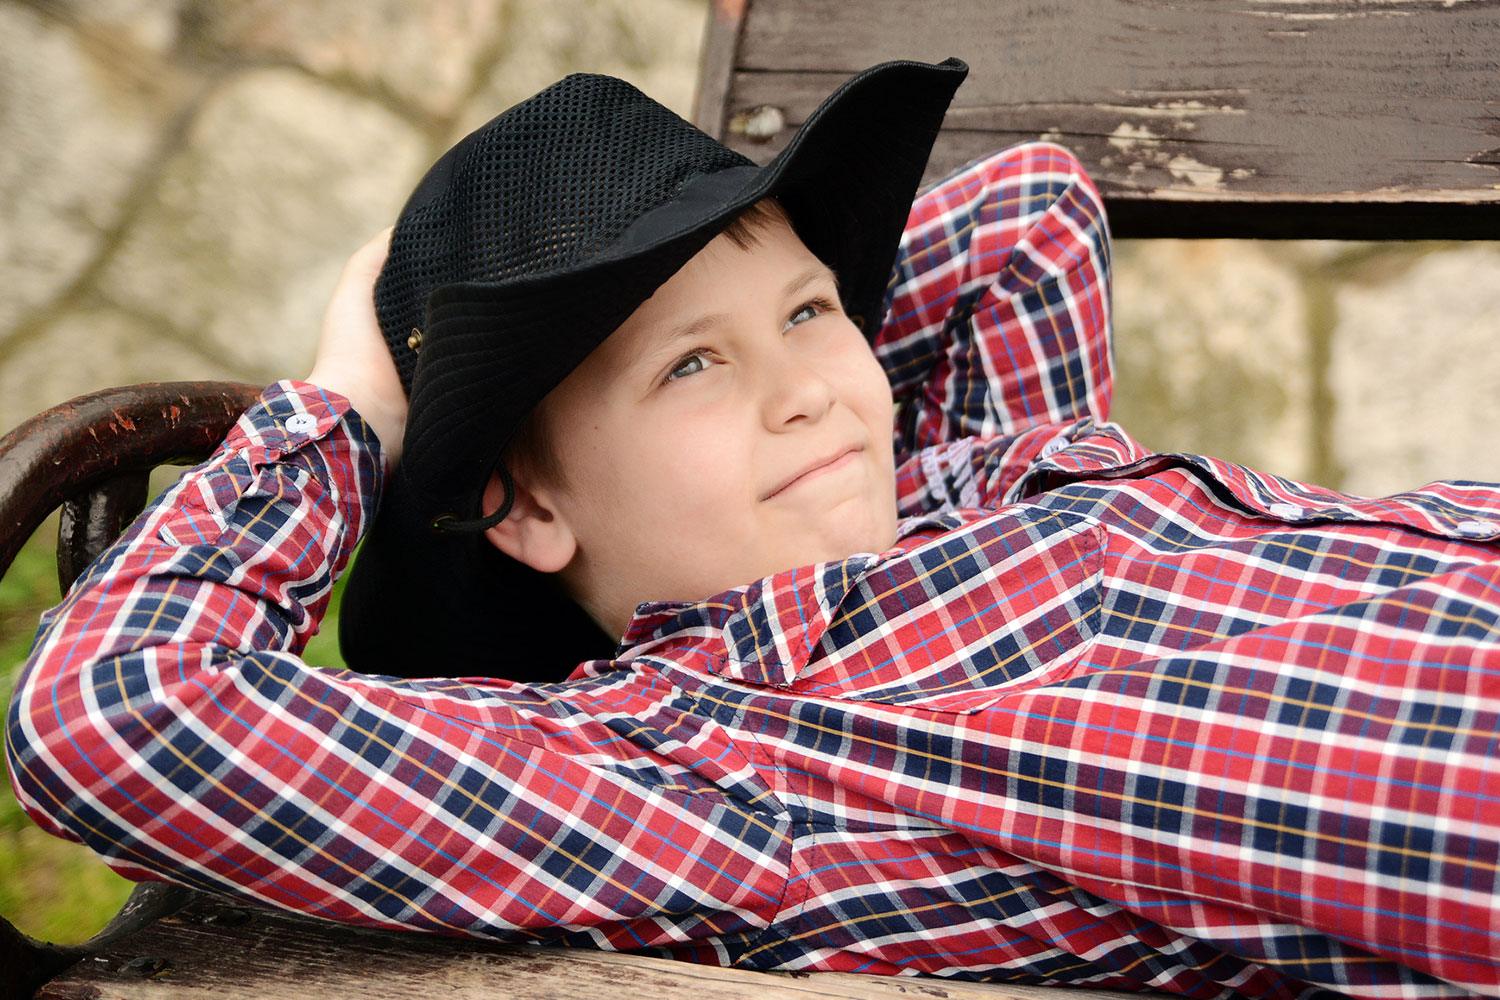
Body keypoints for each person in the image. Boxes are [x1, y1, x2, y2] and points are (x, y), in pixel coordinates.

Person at [5, 57, 1499, 1000]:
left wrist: (754, 326)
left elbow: (1028, 221)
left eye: (810, 311)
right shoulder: (698, 769)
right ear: (527, 509)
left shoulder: (960, 475)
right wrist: (355, 408)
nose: (808, 391)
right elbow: (112, 714)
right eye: (692, 370)